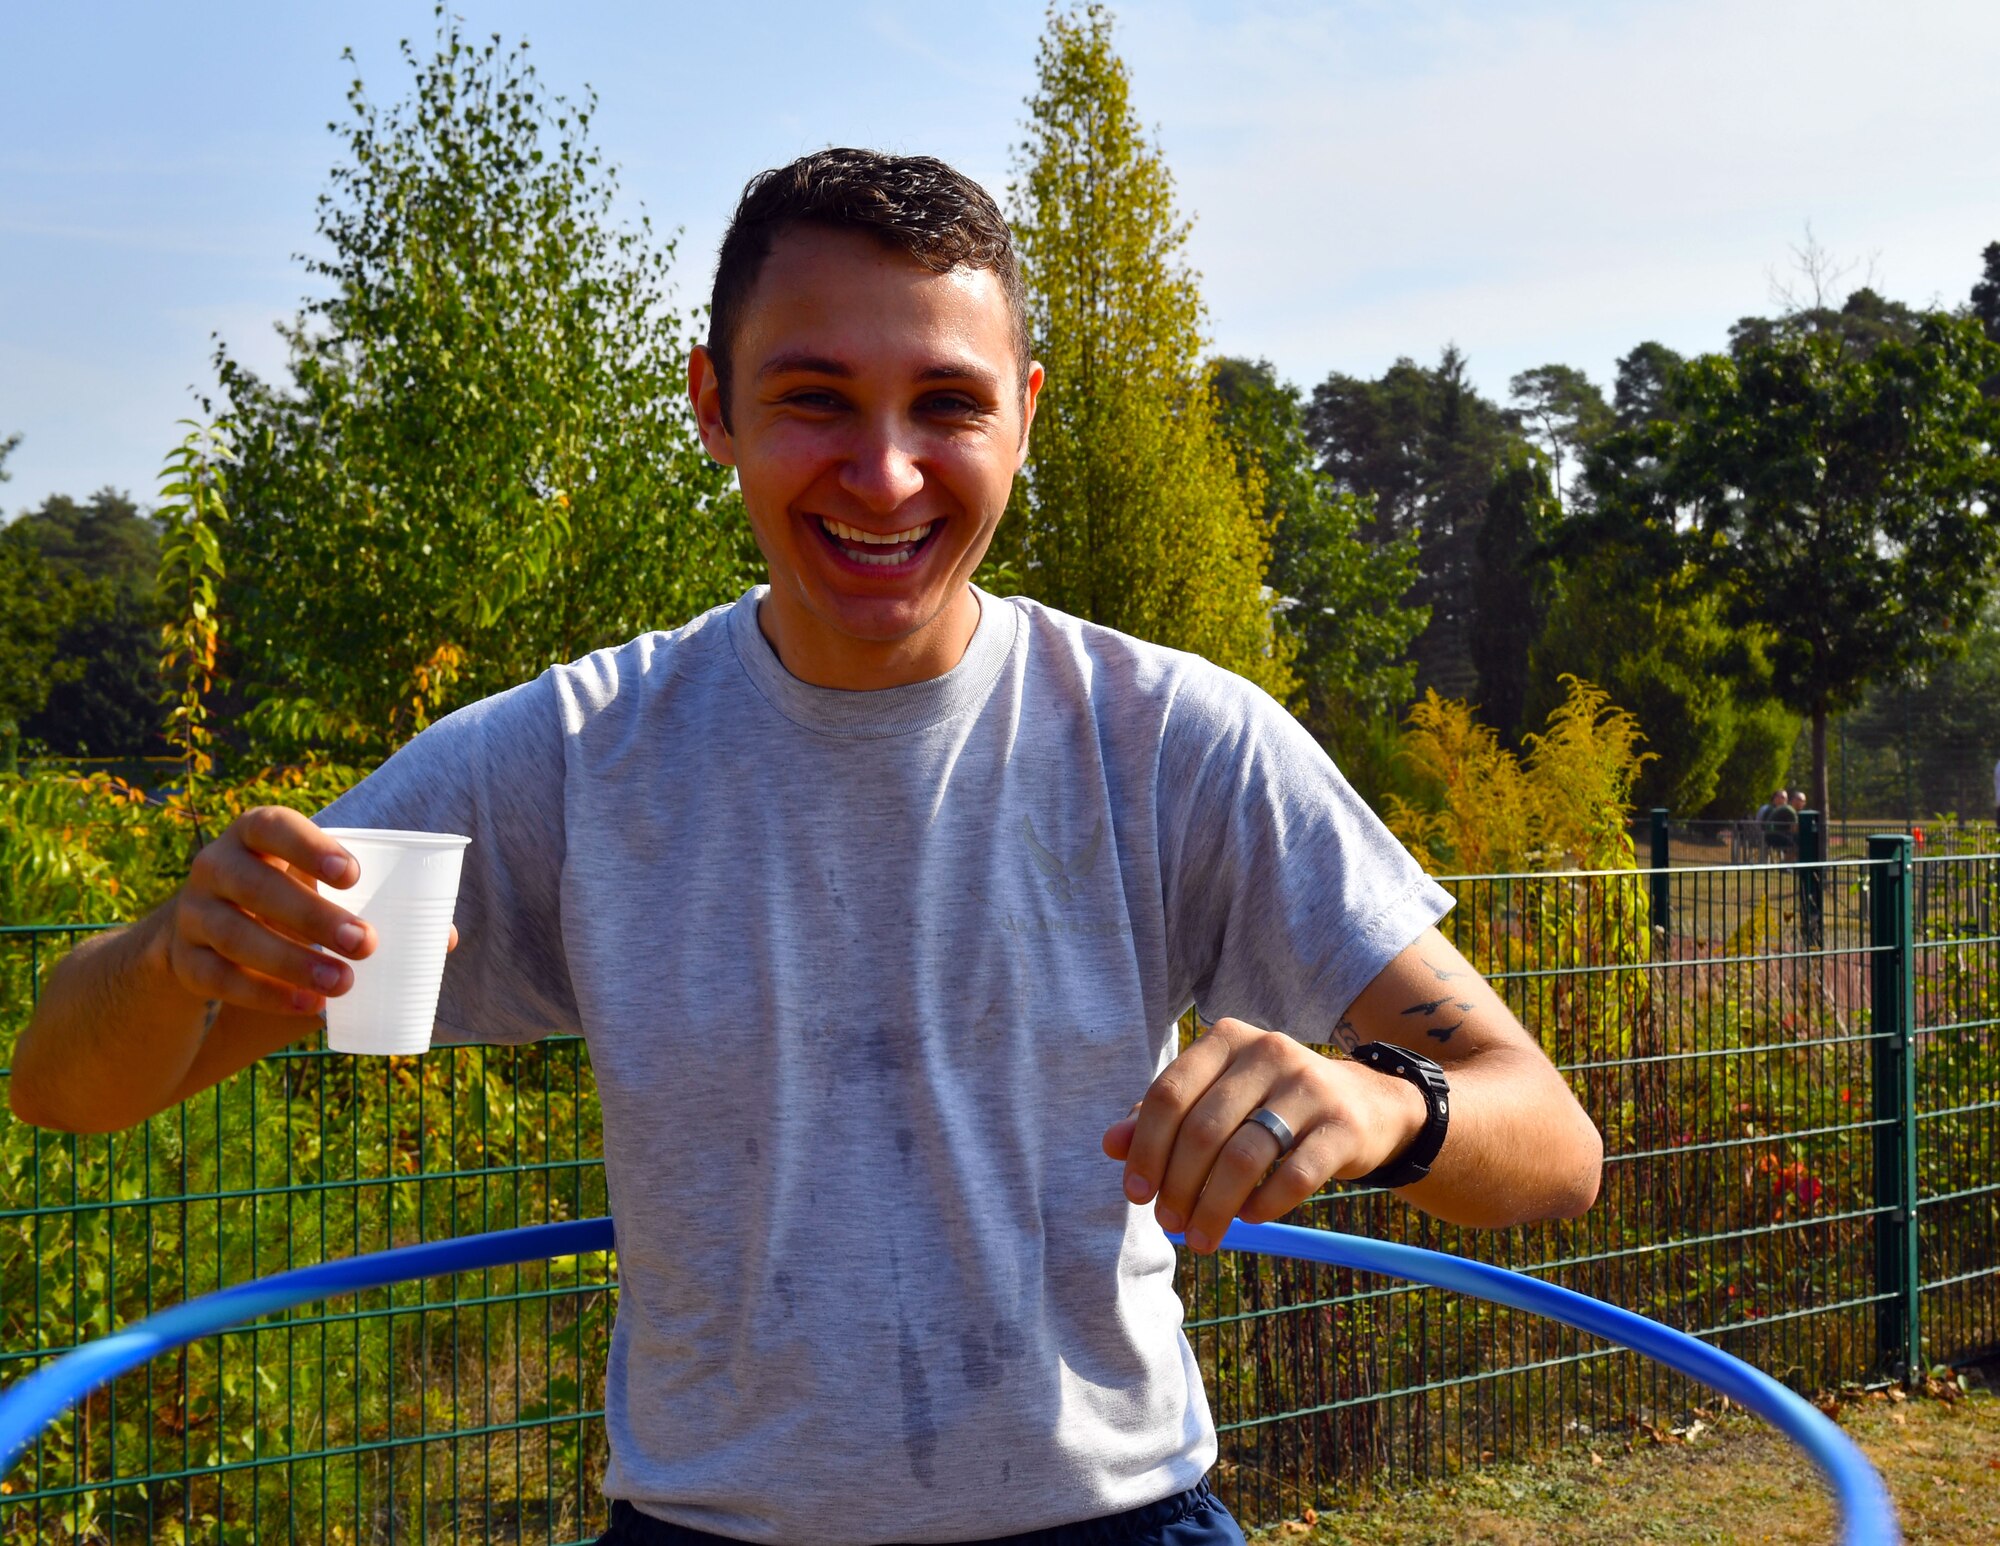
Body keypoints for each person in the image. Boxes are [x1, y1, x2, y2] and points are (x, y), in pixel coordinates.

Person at [10, 150, 1603, 1546]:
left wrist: (1381, 1102)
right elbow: (69, 1085)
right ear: (713, 406)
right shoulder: (571, 757)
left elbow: (1555, 1142)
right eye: (814, 399)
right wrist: (171, 950)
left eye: (950, 406)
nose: (888, 472)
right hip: (708, 1529)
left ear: (1025, 417)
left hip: (1114, 1522)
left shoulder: (1173, 739)